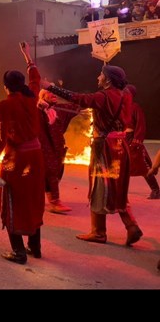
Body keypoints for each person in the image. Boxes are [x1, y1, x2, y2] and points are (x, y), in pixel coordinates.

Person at [42, 65, 144, 247]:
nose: (98, 77)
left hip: (104, 148)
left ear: (108, 79)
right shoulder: (126, 95)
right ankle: (131, 225)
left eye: (101, 75)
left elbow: (77, 98)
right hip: (121, 146)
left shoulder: (103, 96)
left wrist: (50, 86)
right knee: (117, 189)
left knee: (99, 187)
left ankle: (98, 232)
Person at [0, 68, 45, 264]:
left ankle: (18, 252)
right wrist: (28, 60)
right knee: (33, 199)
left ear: (5, 86)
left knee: (12, 201)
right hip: (36, 157)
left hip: (16, 160)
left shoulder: (4, 105)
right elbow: (35, 79)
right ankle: (35, 247)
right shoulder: (31, 97)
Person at [20, 42, 80, 214]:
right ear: (41, 94)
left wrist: (57, 89)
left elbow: (79, 103)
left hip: (56, 151)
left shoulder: (61, 111)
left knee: (52, 174)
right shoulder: (34, 108)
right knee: (43, 174)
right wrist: (27, 56)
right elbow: (34, 79)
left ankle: (49, 200)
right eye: (49, 91)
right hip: (39, 150)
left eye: (54, 92)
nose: (52, 94)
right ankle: (54, 201)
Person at [124, 84, 160, 199]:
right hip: (121, 139)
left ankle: (156, 190)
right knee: (118, 166)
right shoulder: (119, 107)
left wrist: (136, 141)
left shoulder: (135, 108)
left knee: (142, 166)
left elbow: (141, 126)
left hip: (132, 140)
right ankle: (118, 192)